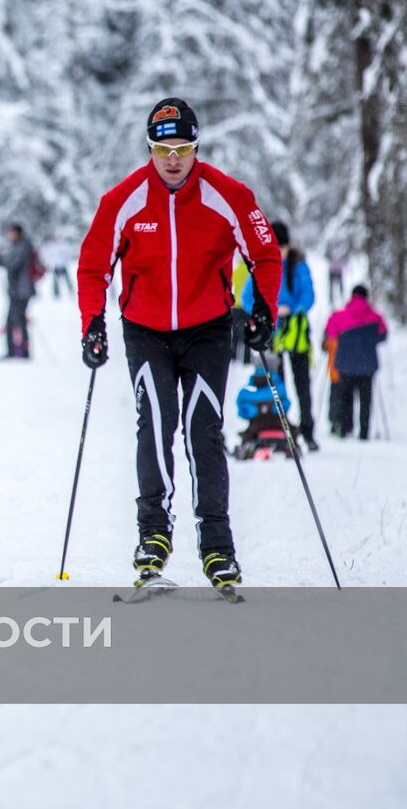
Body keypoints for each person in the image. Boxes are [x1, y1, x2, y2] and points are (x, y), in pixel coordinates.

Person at [76, 97, 282, 591]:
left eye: (184, 148)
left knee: (202, 429)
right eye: (162, 148)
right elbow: (92, 266)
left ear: (196, 147)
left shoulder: (227, 194)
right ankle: (153, 535)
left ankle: (217, 547)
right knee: (157, 424)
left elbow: (265, 253)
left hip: (208, 327)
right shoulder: (122, 200)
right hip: (144, 330)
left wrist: (264, 310)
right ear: (149, 148)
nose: (173, 159)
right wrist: (93, 324)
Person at [241, 221, 318, 450]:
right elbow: (247, 298)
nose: (280, 253)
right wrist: (270, 309)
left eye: (282, 247)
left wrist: (292, 310)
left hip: (296, 334)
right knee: (276, 385)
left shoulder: (299, 266)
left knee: (302, 384)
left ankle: (307, 430)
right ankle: (281, 427)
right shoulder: (262, 265)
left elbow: (308, 296)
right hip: (272, 333)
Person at [325, 284, 389, 440]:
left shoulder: (340, 315)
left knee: (346, 397)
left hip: (345, 364)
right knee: (365, 400)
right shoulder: (376, 317)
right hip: (367, 366)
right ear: (366, 297)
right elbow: (382, 336)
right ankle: (364, 431)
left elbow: (330, 333)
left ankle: (346, 428)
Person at [0, 223, 35, 359]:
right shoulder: (20, 245)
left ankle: (19, 351)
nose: (9, 235)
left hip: (21, 290)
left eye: (10, 232)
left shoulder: (22, 246)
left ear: (17, 233)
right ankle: (18, 351)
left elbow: (13, 265)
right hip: (18, 290)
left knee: (15, 320)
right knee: (15, 320)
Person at [41, 233, 74, 298]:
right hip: (55, 266)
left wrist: (65, 261)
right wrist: (48, 264)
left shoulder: (62, 244)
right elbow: (47, 256)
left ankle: (71, 291)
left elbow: (67, 254)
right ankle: (56, 293)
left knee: (67, 279)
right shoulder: (49, 246)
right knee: (55, 281)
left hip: (63, 265)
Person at [327, 240, 349, 306]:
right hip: (332, 271)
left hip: (338, 271)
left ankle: (341, 297)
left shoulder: (342, 250)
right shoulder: (332, 248)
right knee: (331, 286)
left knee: (340, 286)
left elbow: (345, 260)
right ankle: (331, 300)